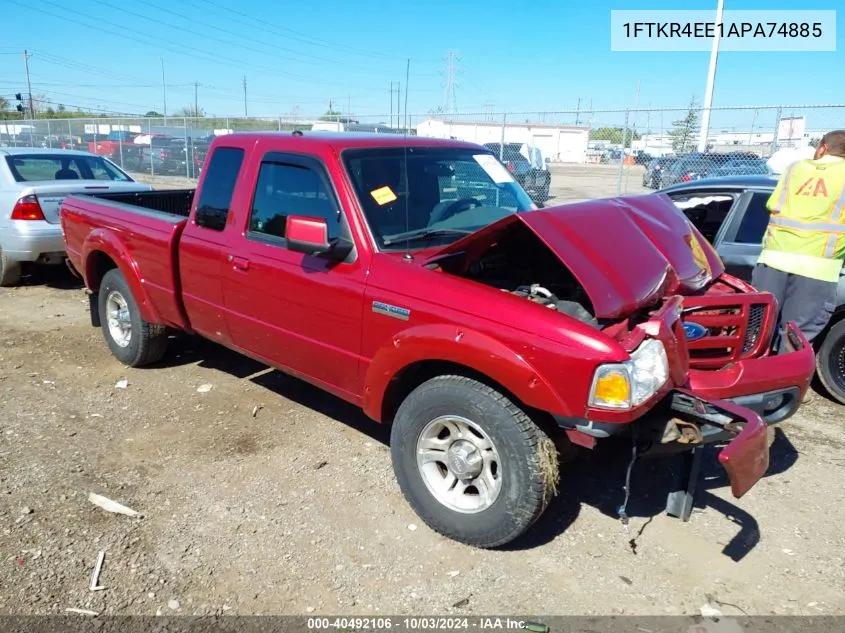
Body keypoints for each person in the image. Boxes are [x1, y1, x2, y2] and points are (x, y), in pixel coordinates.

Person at [752, 130, 845, 349]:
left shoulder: (795, 168)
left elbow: (772, 205)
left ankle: (751, 379)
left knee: (758, 328)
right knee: (796, 336)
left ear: (822, 147)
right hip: (818, 268)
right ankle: (783, 380)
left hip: (773, 259)